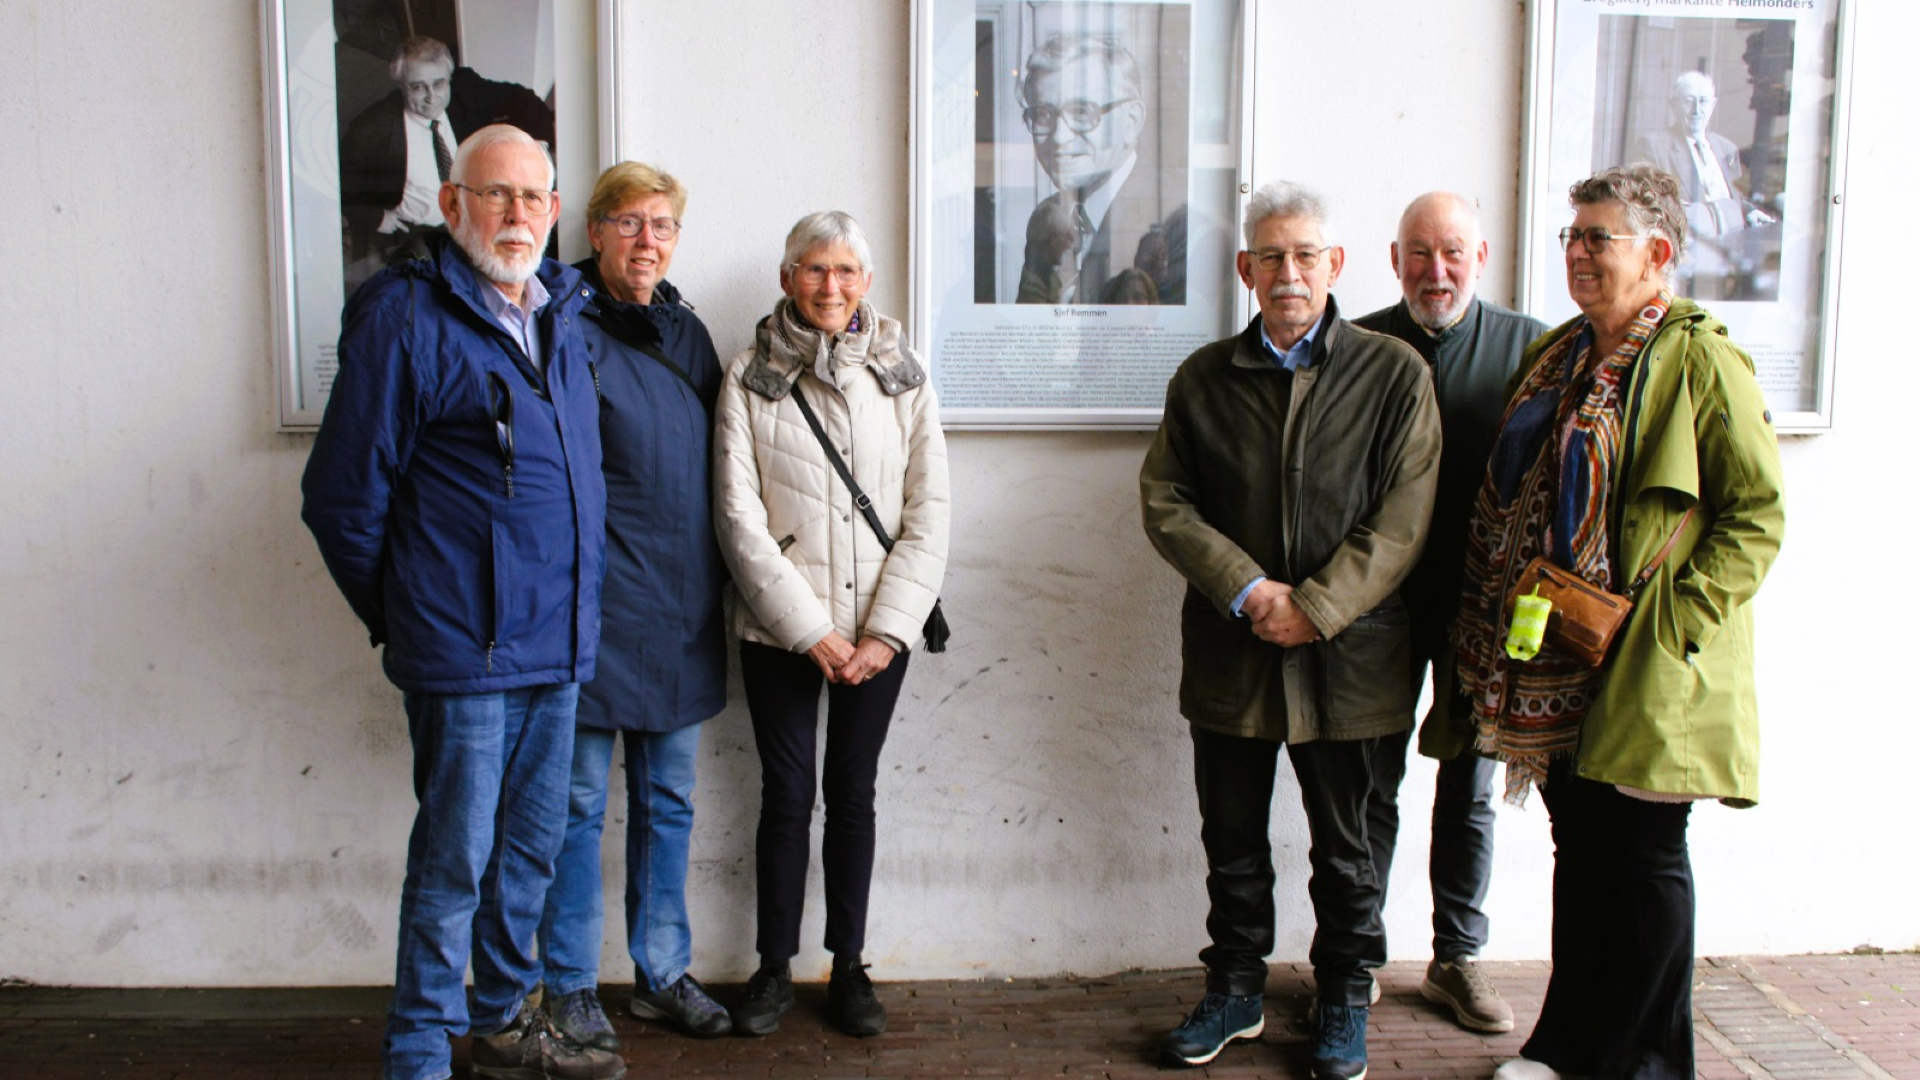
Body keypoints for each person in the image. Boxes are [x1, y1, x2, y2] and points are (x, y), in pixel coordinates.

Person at [301, 125, 623, 1080]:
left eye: (532, 197)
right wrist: (411, 615)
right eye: (494, 195)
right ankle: (420, 1051)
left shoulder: (565, 312)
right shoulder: (403, 317)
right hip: (465, 655)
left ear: (556, 212)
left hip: (557, 648)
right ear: (450, 207)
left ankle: (500, 1021)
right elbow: (341, 502)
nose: (515, 215)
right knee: (453, 864)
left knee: (529, 858)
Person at [1455, 164, 1785, 1080]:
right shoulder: (1561, 353)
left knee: (1642, 863)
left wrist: (1675, 620)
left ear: (1660, 253)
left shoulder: (1700, 358)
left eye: (1600, 236)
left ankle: (1645, 1064)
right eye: (1573, 236)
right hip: (1557, 654)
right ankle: (1570, 1050)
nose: (1579, 252)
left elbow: (1756, 514)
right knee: (1586, 854)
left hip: (1646, 659)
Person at [1140, 180, 1442, 1080]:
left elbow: (1405, 515)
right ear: (1245, 268)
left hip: (1355, 661)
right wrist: (1245, 587)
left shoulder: (1393, 374)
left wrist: (1315, 604)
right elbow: (1166, 500)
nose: (1288, 272)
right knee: (1230, 839)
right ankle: (1234, 989)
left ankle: (1344, 996)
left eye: (1306, 255)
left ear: (1336, 266)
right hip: (1233, 653)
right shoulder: (1203, 380)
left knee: (1350, 850)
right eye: (1270, 256)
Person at [712, 211, 950, 1039]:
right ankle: (773, 967)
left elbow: (931, 514)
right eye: (814, 270)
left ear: (868, 284)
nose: (831, 287)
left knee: (853, 794)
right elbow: (738, 519)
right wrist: (811, 631)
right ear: (787, 279)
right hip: (782, 631)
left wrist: (885, 632)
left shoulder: (906, 376)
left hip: (880, 632)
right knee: (787, 795)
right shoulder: (747, 375)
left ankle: (847, 967)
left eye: (847, 271)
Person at [533, 163, 732, 1052]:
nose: (646, 240)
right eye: (628, 223)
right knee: (572, 807)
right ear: (594, 230)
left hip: (681, 605)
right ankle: (570, 985)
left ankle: (661, 974)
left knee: (669, 802)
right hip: (589, 611)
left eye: (663, 225)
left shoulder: (688, 335)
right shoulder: (556, 321)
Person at [1353, 192, 1547, 1035]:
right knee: (1368, 782)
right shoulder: (1354, 344)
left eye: (1454, 253)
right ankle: (1356, 954)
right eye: (1420, 254)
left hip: (1485, 611)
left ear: (1483, 255)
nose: (1438, 271)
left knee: (1467, 786)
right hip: (1376, 605)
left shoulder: (1532, 348)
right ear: (1394, 260)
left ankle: (1457, 959)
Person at [339, 36, 557, 288]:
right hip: (415, 237)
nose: (432, 97)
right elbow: (340, 182)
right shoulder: (373, 128)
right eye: (418, 87)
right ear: (401, 86)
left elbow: (524, 100)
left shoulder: (466, 93)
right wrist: (376, 216)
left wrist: (539, 145)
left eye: (439, 84)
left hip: (477, 230)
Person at [1013, 33, 1185, 305]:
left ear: (1132, 121)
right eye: (1043, 115)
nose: (1059, 137)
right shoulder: (1047, 218)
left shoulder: (1176, 223)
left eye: (1082, 113)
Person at [1633, 72, 1776, 242]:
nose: (1696, 110)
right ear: (1673, 105)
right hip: (1692, 245)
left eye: (1703, 101)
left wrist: (1749, 212)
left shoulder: (1726, 148)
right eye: (1688, 101)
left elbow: (1735, 199)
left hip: (1735, 240)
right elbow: (1647, 205)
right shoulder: (1654, 146)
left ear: (1712, 105)